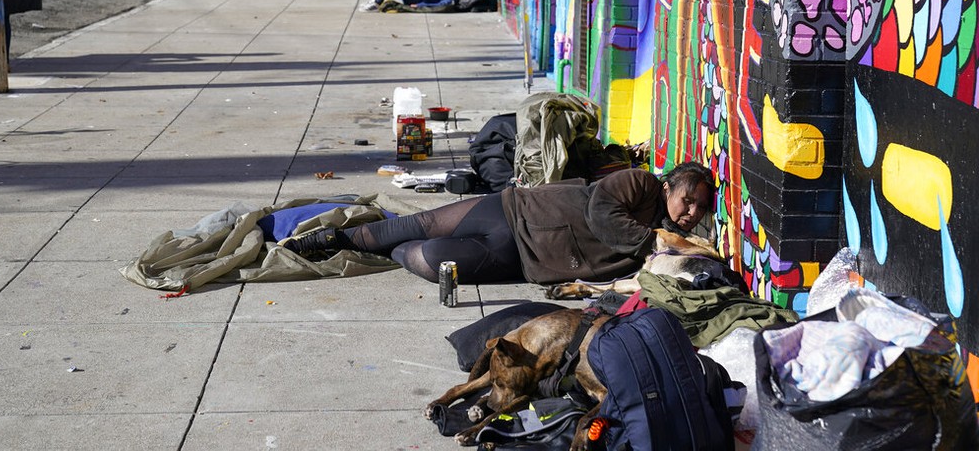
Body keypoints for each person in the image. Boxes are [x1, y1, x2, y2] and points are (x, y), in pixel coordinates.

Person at [279, 161, 715, 286]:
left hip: (525, 258)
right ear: (668, 187)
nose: (690, 212)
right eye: (686, 199)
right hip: (515, 210)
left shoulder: (670, 246)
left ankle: (373, 251)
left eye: (700, 210)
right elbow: (603, 214)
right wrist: (656, 238)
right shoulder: (640, 184)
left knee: (429, 260)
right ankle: (330, 238)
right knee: (418, 224)